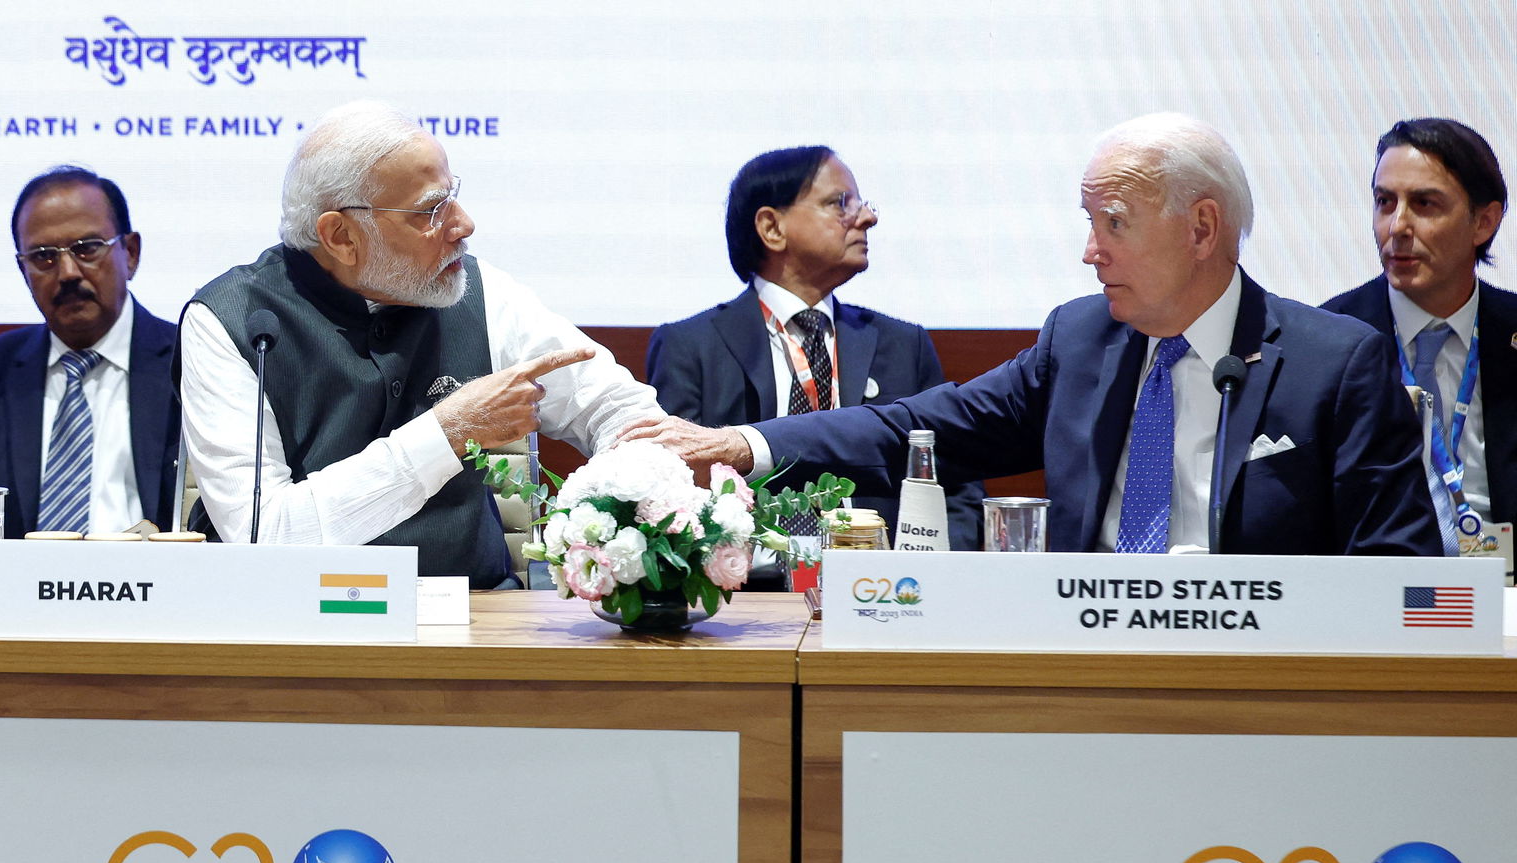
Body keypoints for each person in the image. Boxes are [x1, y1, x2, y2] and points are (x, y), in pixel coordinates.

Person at [623, 114, 1441, 557]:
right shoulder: (1081, 340)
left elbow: (1403, 580)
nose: (1090, 252)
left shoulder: (1335, 363)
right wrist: (744, 444)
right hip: (1076, 675)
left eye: (1112, 224)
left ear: (1201, 228)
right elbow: (920, 426)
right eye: (1087, 224)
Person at [179, 100, 663, 587]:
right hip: (296, 625)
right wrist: (446, 434)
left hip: (474, 620)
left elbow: (618, 408)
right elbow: (262, 537)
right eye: (431, 210)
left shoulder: (478, 291)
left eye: (452, 196)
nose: (463, 224)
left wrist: (618, 512)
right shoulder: (230, 320)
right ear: (341, 236)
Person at [645, 146, 983, 550]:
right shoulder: (691, 346)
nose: (868, 217)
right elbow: (674, 486)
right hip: (746, 590)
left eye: (862, 203)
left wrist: (940, 578)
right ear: (772, 227)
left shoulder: (903, 344)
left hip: (885, 586)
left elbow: (954, 482)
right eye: (840, 202)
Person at [0, 166, 178, 538]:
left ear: (131, 252)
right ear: (23, 270)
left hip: (158, 587)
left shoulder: (189, 366)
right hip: (15, 590)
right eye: (43, 256)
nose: (68, 272)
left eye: (87, 248)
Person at [1322, 118, 1517, 536]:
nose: (1397, 228)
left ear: (1484, 222)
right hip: (1373, 584)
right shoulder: (1326, 339)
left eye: (1424, 204)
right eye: (1385, 202)